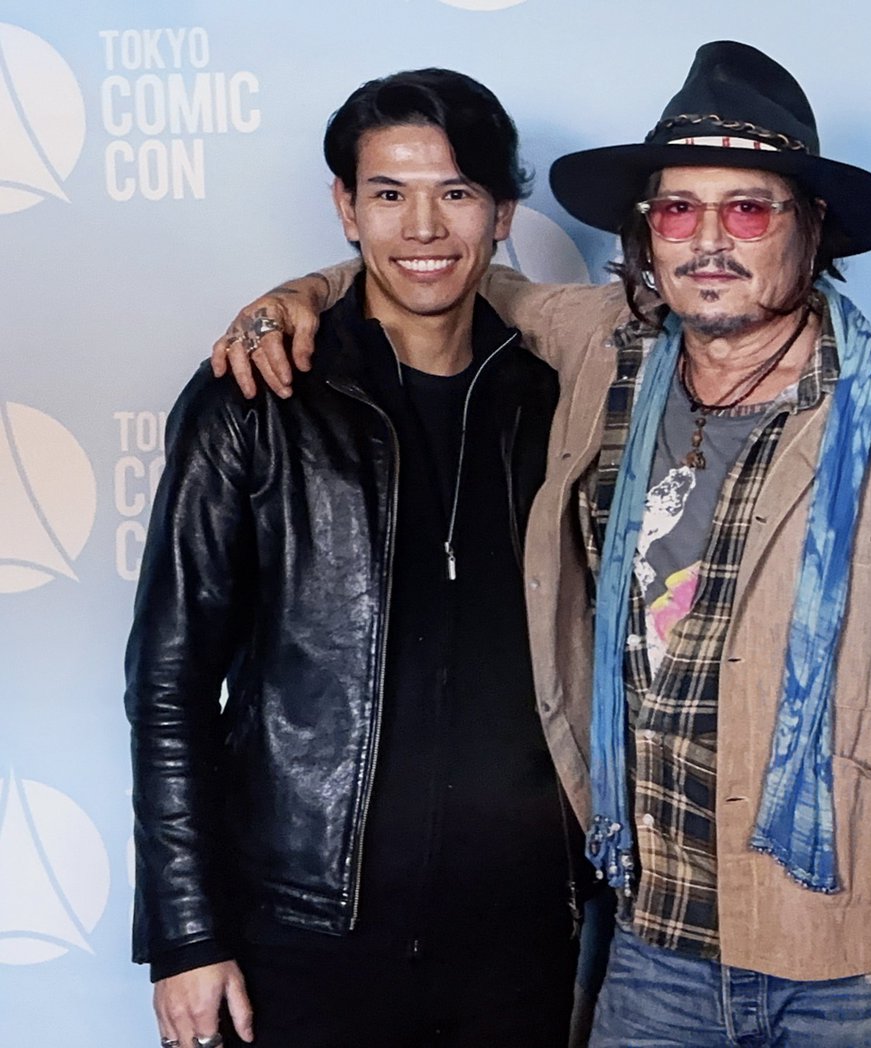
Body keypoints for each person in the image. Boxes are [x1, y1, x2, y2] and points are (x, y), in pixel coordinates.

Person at [211, 45, 871, 1048]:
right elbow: (441, 271)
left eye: (748, 210)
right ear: (647, 234)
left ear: (812, 228)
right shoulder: (608, 349)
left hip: (852, 965)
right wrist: (295, 294)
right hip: (652, 950)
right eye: (677, 211)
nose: (708, 241)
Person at [126, 69, 584, 1048]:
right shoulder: (255, 396)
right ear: (345, 208)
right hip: (302, 934)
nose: (423, 226)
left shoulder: (557, 399)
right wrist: (187, 934)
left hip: (521, 941)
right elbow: (170, 683)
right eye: (388, 193)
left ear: (503, 212)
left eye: (456, 192)